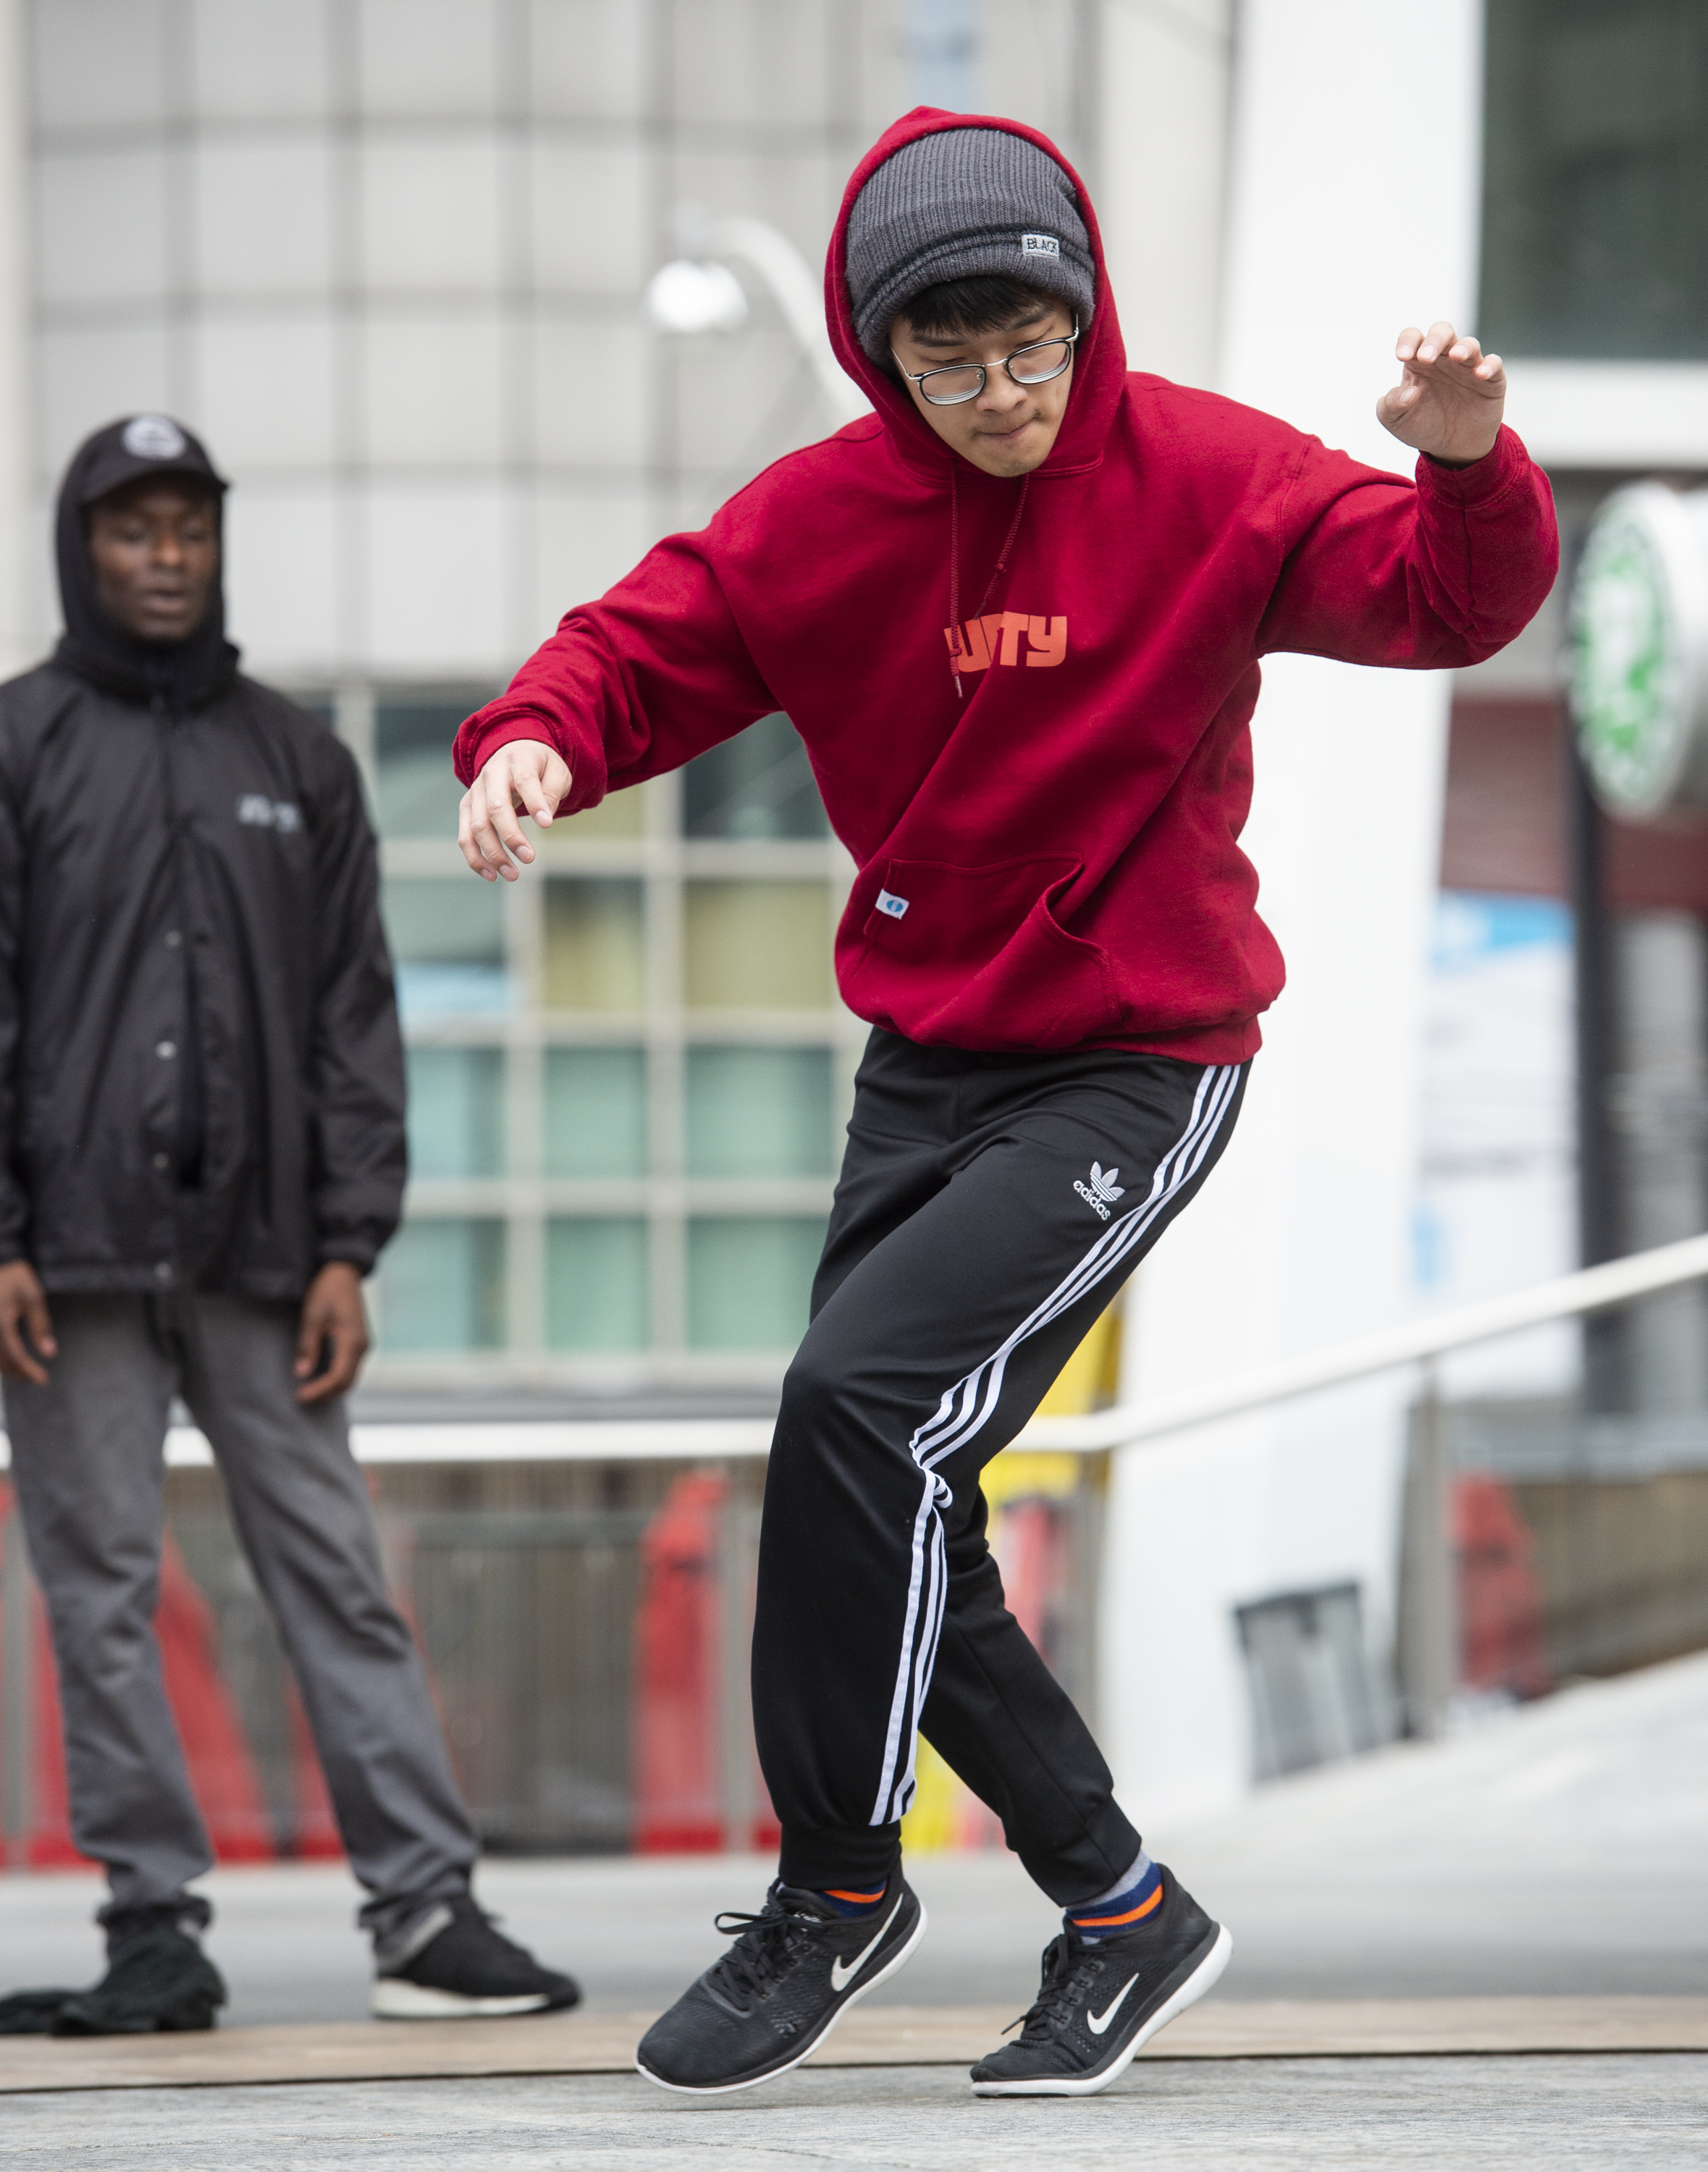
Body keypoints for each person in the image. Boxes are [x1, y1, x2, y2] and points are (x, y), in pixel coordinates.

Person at [452, 110, 1559, 2099]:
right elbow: (637, 652)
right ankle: (1124, 1907)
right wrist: (534, 742)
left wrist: (1463, 464)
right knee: (885, 1487)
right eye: (946, 363)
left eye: (1028, 350)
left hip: (1140, 1054)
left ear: (1084, 315)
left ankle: (843, 1888)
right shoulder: (817, 520)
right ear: (884, 359)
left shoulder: (1210, 478)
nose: (996, 400)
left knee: (855, 1408)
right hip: (932, 1062)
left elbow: (1442, 602)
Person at [0, 416, 578, 2036]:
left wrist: (348, 1247)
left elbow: (351, 1020)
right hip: (69, 1264)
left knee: (336, 1573)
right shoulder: (5, 747)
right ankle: (152, 1927)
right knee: (97, 1587)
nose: (165, 556)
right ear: (80, 548)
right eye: (131, 530)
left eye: (189, 527)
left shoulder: (296, 759)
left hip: (266, 1258)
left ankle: (426, 1914)